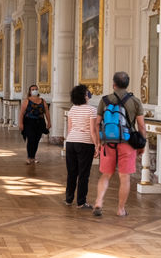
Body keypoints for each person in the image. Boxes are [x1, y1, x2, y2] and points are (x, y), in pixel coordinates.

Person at [91, 70, 146, 218]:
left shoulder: (104, 100)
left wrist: (99, 143)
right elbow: (141, 126)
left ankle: (99, 201)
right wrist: (142, 144)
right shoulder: (135, 101)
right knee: (124, 177)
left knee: (106, 174)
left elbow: (97, 123)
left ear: (113, 84)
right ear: (127, 84)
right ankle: (121, 209)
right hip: (127, 143)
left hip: (108, 142)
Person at [63, 84, 98, 208]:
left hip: (71, 142)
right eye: (87, 92)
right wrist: (97, 145)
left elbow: (69, 129)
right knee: (83, 174)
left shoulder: (72, 109)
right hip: (85, 143)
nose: (89, 94)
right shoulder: (92, 110)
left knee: (71, 173)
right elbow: (93, 131)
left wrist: (71, 139)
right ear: (85, 96)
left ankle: (68, 199)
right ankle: (81, 202)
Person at [18, 83, 51, 165]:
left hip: (40, 122)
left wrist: (49, 122)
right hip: (29, 122)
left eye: (36, 89)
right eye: (33, 89)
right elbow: (22, 113)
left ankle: (33, 157)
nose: (34, 91)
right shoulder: (27, 101)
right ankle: (29, 157)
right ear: (30, 91)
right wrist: (20, 123)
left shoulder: (42, 101)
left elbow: (47, 112)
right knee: (31, 139)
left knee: (36, 140)